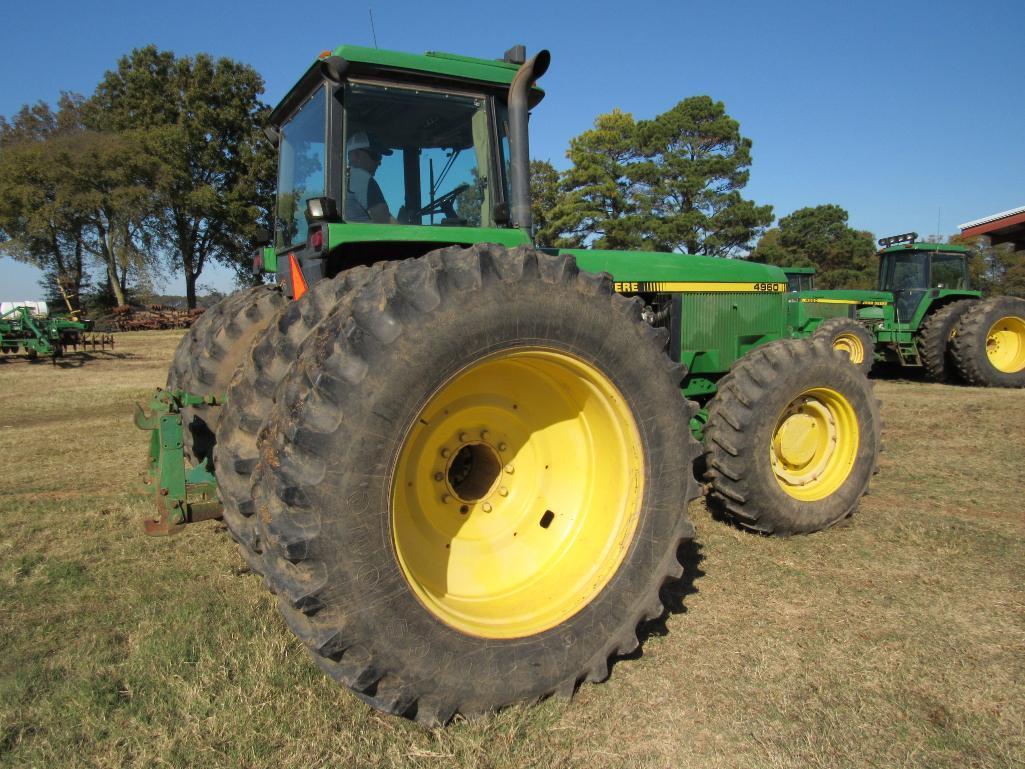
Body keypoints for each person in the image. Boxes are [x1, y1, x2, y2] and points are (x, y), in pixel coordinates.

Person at [345, 131, 394, 223]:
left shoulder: (343, 178)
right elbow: (386, 222)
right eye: (376, 156)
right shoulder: (361, 178)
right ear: (356, 155)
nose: (379, 163)